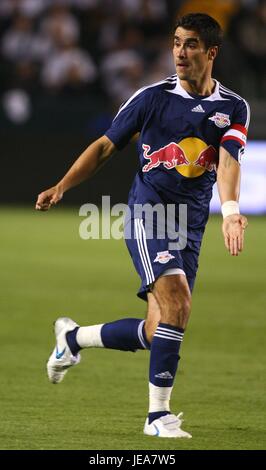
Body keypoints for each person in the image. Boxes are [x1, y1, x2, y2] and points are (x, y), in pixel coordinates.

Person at [36, 13, 250, 439]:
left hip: (189, 225)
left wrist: (229, 211)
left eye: (190, 45)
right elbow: (103, 147)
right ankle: (158, 418)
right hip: (148, 214)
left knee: (159, 330)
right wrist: (62, 186)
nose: (179, 53)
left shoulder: (233, 107)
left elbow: (228, 161)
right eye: (175, 43)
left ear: (211, 53)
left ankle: (74, 339)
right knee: (178, 304)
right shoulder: (151, 98)